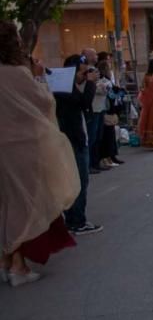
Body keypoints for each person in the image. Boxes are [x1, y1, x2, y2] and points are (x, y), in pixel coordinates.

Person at [0, 22, 78, 286]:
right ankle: (18, 267)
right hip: (22, 149)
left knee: (6, 204)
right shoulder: (16, 74)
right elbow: (44, 103)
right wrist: (39, 77)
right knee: (24, 206)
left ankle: (7, 261)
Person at [54, 54, 103, 235]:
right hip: (73, 138)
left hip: (73, 136)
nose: (86, 74)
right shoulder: (63, 88)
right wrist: (90, 83)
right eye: (83, 71)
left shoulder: (64, 86)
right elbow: (82, 103)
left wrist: (84, 81)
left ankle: (73, 219)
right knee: (79, 181)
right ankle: (77, 221)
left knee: (74, 181)